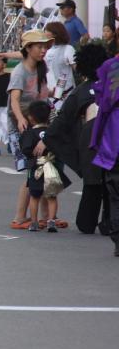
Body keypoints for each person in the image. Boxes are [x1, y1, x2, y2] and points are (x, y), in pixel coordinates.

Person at [46, 44, 111, 235]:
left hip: (89, 136)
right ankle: (110, 222)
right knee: (112, 183)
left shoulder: (80, 91)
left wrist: (47, 139)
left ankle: (87, 222)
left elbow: (62, 123)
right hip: (111, 133)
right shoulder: (112, 85)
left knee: (92, 183)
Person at [8, 30, 56, 230]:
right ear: (28, 48)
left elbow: (44, 94)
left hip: (41, 124)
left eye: (45, 46)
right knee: (32, 173)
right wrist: (20, 120)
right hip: (24, 127)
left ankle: (45, 216)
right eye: (39, 46)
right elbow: (14, 99)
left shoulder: (41, 68)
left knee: (45, 169)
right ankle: (20, 218)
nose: (43, 50)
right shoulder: (20, 71)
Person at [21, 101, 70, 232]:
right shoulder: (52, 132)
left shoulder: (30, 133)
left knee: (35, 196)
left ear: (30, 117)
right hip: (52, 167)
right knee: (52, 196)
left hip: (36, 167)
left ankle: (34, 222)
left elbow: (25, 150)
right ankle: (51, 221)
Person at [90, 50, 119, 255]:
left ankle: (118, 238)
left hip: (115, 131)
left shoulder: (112, 66)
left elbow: (104, 100)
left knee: (116, 189)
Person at [43, 21, 76, 108]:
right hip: (48, 92)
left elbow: (78, 69)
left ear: (55, 33)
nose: (45, 32)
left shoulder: (68, 49)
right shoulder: (45, 50)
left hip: (64, 93)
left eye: (47, 30)